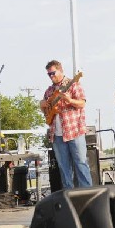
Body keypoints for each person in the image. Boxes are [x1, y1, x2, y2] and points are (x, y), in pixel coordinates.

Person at [40, 60, 92, 189]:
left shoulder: (73, 84)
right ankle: (68, 195)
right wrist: (42, 104)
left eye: (53, 73)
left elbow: (82, 103)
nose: (51, 76)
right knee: (64, 168)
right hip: (57, 134)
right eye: (49, 74)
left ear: (61, 70)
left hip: (74, 131)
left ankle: (87, 193)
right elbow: (46, 111)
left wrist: (69, 100)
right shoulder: (49, 91)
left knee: (81, 163)